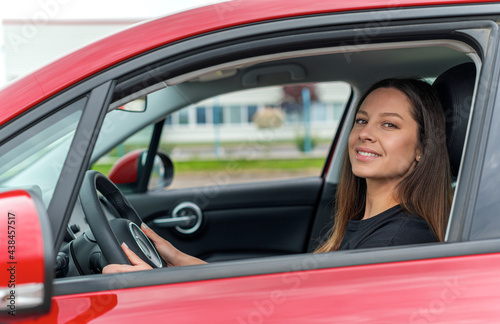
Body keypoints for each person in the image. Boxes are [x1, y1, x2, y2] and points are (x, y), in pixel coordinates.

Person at [102, 78, 452, 274]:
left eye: (388, 124)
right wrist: (180, 266)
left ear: (422, 148)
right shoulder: (372, 225)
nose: (365, 133)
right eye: (361, 120)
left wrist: (159, 291)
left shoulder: (398, 243)